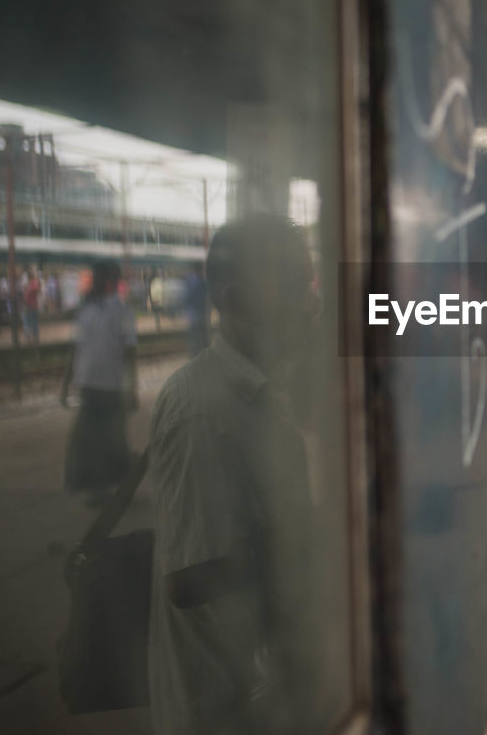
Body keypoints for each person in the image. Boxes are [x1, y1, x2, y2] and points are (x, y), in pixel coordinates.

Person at [148, 216, 323, 733]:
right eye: (295, 286)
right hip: (224, 710)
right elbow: (188, 578)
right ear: (238, 299)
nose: (311, 303)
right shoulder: (201, 413)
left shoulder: (262, 390)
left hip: (262, 696)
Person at [60, 261, 138, 505]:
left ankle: (106, 486)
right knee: (92, 440)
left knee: (107, 440)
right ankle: (106, 484)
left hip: (110, 386)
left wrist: (131, 387)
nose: (94, 282)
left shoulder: (123, 312)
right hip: (90, 384)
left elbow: (129, 352)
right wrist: (65, 384)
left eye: (98, 278)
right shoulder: (85, 312)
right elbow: (75, 349)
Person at [22, 268, 42, 344]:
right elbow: (37, 291)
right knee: (34, 322)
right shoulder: (34, 284)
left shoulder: (29, 284)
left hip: (29, 306)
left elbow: (26, 296)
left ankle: (28, 338)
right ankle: (35, 338)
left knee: (27, 322)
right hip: (34, 306)